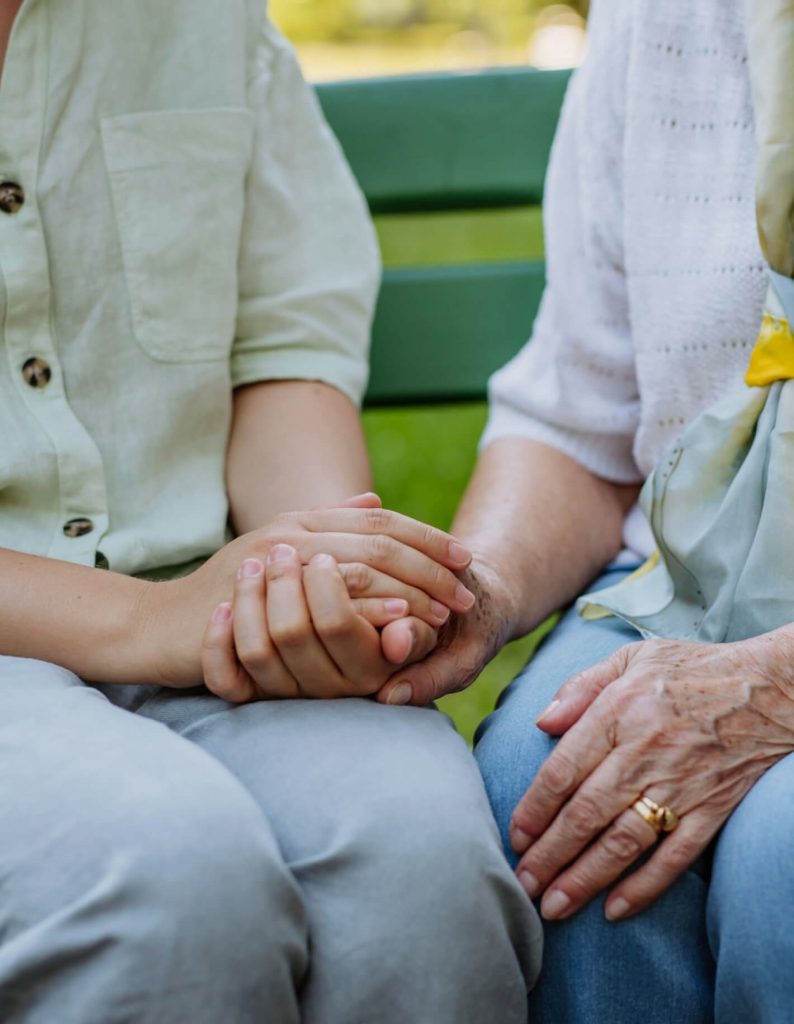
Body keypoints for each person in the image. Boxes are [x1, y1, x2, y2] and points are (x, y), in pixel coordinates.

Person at [0, 1, 541, 1020]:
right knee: (162, 881)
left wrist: (315, 580)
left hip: (207, 611)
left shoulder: (204, 20)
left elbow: (283, 351)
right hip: (114, 629)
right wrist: (143, 621)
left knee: (416, 858)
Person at [376, 0, 794, 1020]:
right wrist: (472, 588)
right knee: (542, 776)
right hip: (701, 561)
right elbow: (585, 409)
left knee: (779, 861)